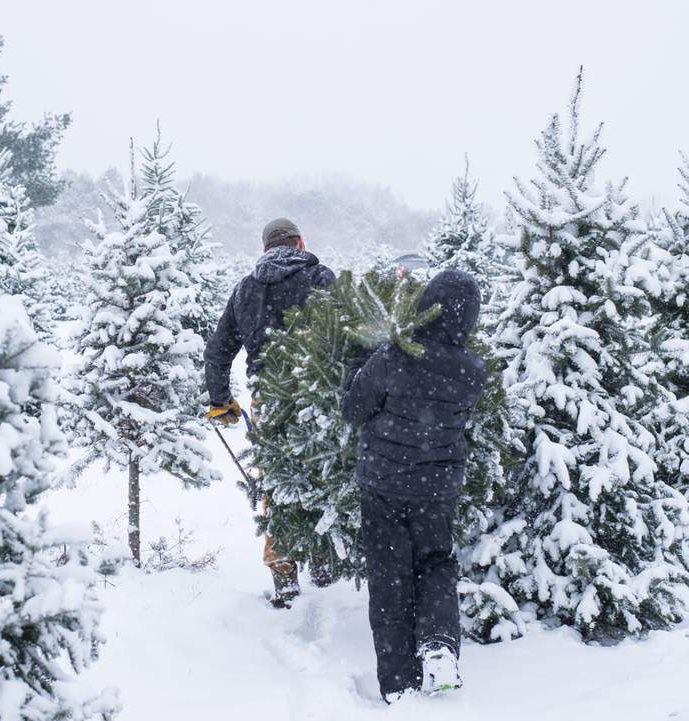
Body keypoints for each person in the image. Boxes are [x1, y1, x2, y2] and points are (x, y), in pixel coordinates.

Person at [341, 268, 487, 702]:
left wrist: (355, 362)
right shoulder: (473, 370)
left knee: (390, 576)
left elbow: (354, 409)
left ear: (425, 307)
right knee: (436, 564)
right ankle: (439, 646)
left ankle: (398, 682)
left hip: (384, 482)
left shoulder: (394, 355)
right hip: (438, 488)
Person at [203, 217, 336, 608]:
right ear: (300, 242)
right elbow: (351, 333)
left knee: (278, 485)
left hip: (270, 400)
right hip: (318, 396)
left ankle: (284, 575)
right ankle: (325, 560)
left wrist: (220, 401)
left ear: (264, 250)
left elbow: (218, 351)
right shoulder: (321, 279)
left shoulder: (246, 289)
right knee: (324, 474)